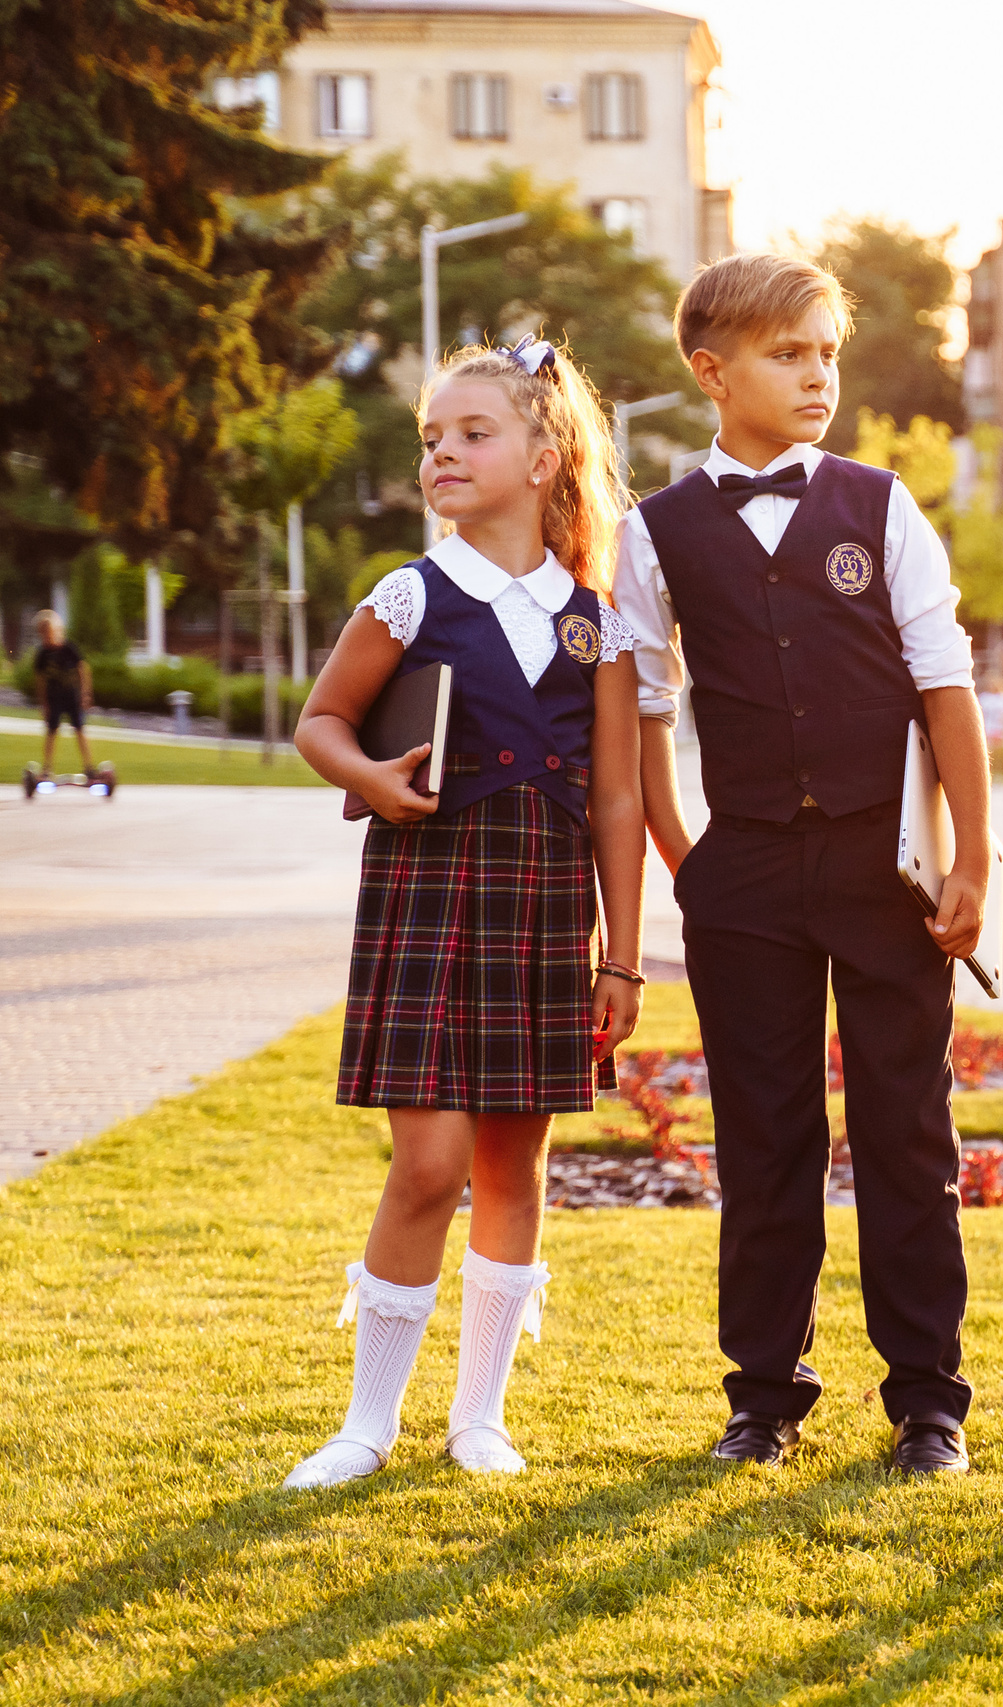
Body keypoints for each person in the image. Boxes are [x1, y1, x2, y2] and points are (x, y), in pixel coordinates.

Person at [618, 253, 993, 1475]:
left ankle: (928, 1403)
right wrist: (691, 863)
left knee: (907, 1135)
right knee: (761, 1141)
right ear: (712, 372)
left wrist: (972, 863)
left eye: (828, 352)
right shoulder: (653, 532)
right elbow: (645, 714)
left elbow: (947, 689)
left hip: (883, 878)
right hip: (747, 883)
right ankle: (763, 1398)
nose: (818, 374)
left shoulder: (882, 505)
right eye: (790, 354)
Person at [283, 335, 648, 1489]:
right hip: (431, 893)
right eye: (432, 438)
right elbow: (319, 723)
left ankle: (478, 1417)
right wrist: (372, 781)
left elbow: (621, 801)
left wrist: (625, 959)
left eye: (471, 434)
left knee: (513, 1167)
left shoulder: (598, 620)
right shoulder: (410, 593)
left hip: (545, 907)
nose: (442, 453)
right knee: (427, 1166)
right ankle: (367, 1425)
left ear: (545, 457)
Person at [30, 611, 97, 778]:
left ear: (58, 630)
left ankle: (89, 767)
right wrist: (43, 704)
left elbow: (83, 670)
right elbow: (40, 681)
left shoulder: (69, 648)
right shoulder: (42, 655)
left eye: (50, 632)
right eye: (43, 634)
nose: (47, 637)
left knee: (80, 730)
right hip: (54, 699)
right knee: (51, 732)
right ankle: (47, 768)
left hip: (72, 698)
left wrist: (85, 694)